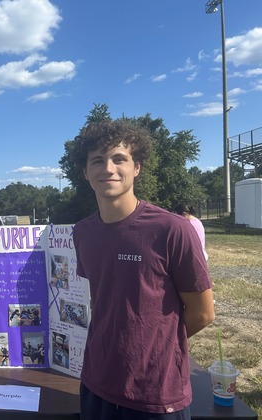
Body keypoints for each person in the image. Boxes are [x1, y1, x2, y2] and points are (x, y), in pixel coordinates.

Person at [71, 120, 215, 419]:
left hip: (156, 394)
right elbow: (105, 300)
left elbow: (203, 313)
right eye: (97, 160)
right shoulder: (83, 232)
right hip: (96, 385)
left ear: (136, 167)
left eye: (119, 158)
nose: (108, 168)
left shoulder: (172, 229)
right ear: (85, 172)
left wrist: (154, 348)